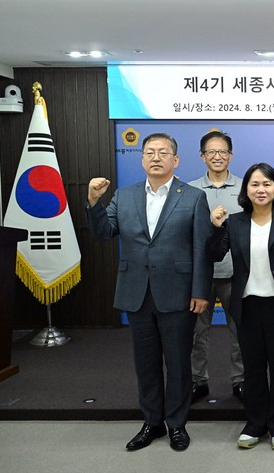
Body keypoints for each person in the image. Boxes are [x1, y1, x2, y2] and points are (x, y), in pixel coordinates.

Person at [87, 132, 212, 452]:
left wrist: (200, 291)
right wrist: (94, 202)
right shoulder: (124, 196)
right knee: (146, 363)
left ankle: (177, 424)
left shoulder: (193, 197)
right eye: (150, 152)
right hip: (137, 292)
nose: (156, 157)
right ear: (142, 159)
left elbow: (201, 248)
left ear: (176, 160)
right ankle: (152, 422)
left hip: (178, 293)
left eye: (163, 152)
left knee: (178, 363)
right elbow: (102, 233)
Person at [209, 162, 274, 451]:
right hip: (248, 305)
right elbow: (215, 254)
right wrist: (215, 228)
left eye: (267, 184)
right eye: (254, 184)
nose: (261, 189)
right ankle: (255, 423)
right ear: (246, 190)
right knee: (252, 369)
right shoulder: (235, 222)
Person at [187, 131, 244, 404]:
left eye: (222, 152)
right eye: (211, 151)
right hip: (200, 275)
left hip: (237, 274)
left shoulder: (246, 188)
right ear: (202, 156)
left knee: (240, 332)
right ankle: (198, 380)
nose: (217, 156)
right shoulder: (189, 190)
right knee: (197, 333)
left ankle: (241, 381)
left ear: (230, 156)